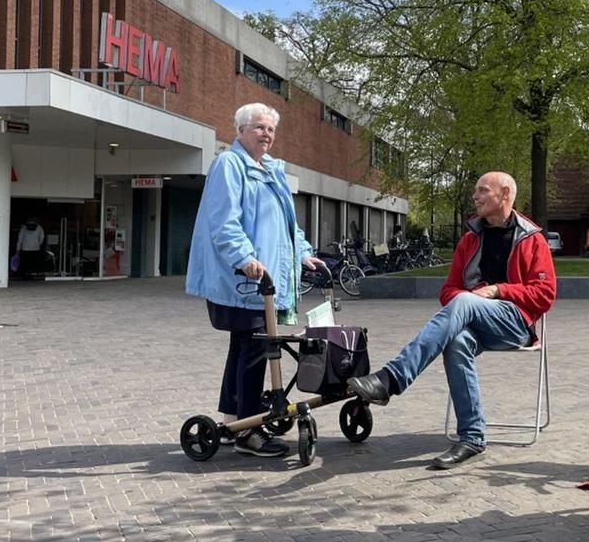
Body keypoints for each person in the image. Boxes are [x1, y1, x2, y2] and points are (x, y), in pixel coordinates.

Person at [347, 171, 556, 469]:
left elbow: (545, 295)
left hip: (514, 323)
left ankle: (391, 378)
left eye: (483, 190)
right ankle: (472, 437)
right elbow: (448, 290)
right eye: (476, 191)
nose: (475, 196)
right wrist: (469, 301)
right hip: (473, 318)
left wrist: (496, 290)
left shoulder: (531, 238)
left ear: (505, 194)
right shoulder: (471, 238)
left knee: (464, 301)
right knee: (456, 342)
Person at [185, 102, 324, 458]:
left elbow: (286, 225)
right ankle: (248, 428)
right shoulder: (230, 165)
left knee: (244, 347)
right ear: (241, 130)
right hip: (243, 281)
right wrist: (244, 258)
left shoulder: (271, 171)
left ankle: (233, 421)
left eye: (271, 130)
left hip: (264, 283)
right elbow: (223, 220)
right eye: (260, 127)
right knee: (254, 349)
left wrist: (303, 252)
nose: (267, 134)